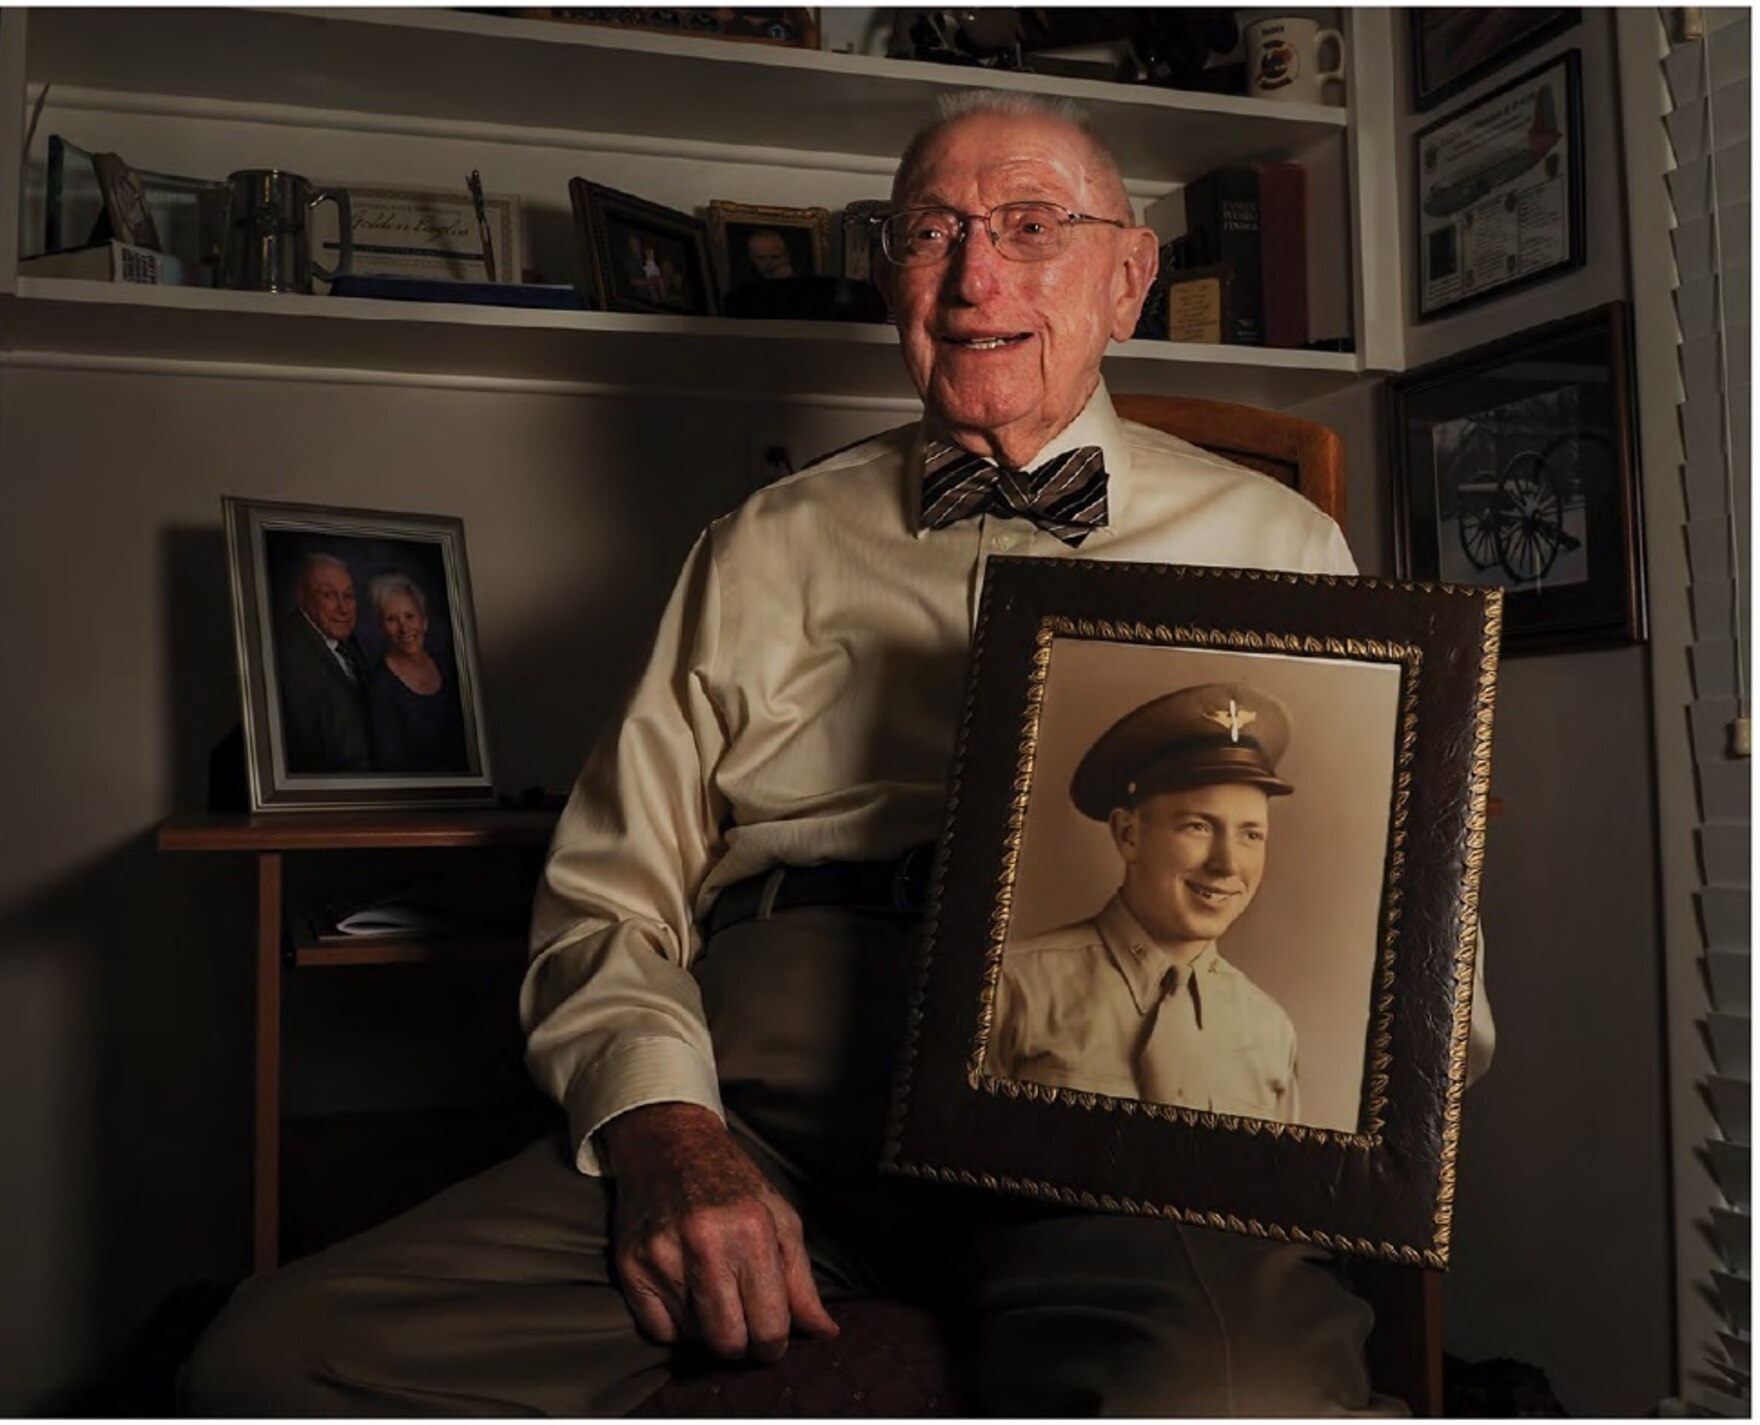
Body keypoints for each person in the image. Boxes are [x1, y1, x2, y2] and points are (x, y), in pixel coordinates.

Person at [187, 89, 1497, 1415]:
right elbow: (608, 894)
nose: (975, 275)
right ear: (891, 278)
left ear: (1127, 278)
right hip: (774, 1096)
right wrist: (668, 1127)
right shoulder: (763, 544)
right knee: (270, 1362)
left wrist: (1317, 1097)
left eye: (1031, 226)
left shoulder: (1276, 545)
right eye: (930, 233)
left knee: (1232, 1398)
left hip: (1116, 1116)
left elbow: (1400, 951)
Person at [985, 681, 1303, 1125]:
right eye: (1198, 826)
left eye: (1251, 834)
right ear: (1128, 835)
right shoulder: (1012, 989)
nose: (1228, 864)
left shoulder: (1272, 1033)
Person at [273, 551, 371, 774]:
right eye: (329, 595)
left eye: (348, 596)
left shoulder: (344, 640)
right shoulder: (288, 653)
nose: (343, 608)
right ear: (302, 596)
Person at [364, 571, 466, 774]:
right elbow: (391, 767)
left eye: (410, 616)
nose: (404, 628)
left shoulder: (449, 665)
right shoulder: (380, 687)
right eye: (391, 619)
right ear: (382, 628)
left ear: (424, 621)